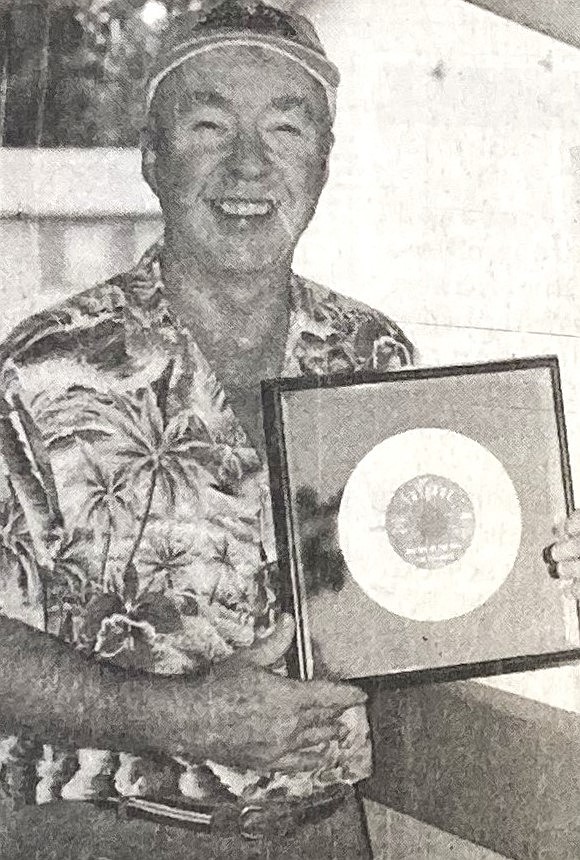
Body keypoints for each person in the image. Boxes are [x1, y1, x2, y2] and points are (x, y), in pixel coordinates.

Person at [0, 2, 417, 858]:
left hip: (324, 837)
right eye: (208, 124)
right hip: (94, 838)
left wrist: (535, 568)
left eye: (286, 129)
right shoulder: (41, 373)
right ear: (152, 159)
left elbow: (423, 593)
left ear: (324, 165)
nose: (250, 164)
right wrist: (186, 717)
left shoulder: (375, 355)